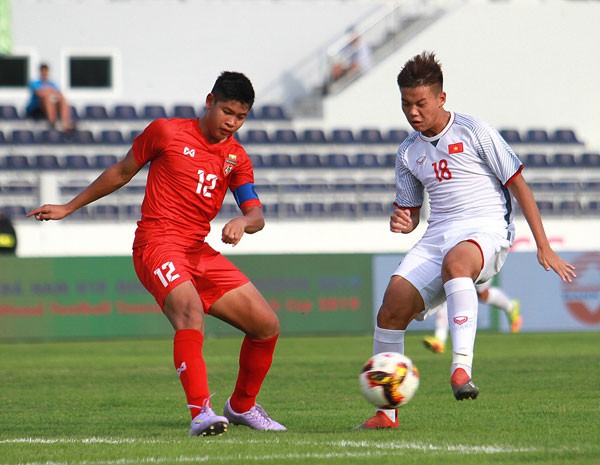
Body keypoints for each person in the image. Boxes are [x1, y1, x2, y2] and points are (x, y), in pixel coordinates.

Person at [27, 71, 286, 436]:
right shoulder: (166, 132)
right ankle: (201, 413)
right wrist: (69, 207)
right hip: (157, 243)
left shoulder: (236, 157)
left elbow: (256, 213)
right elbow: (121, 172)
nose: (231, 122)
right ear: (210, 101)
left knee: (266, 326)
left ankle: (242, 406)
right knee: (189, 311)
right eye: (226, 111)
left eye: (240, 117)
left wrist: (243, 222)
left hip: (198, 251)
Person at [357, 52, 576, 430]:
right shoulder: (408, 151)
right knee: (390, 309)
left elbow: (518, 185)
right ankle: (385, 412)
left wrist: (543, 245)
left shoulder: (474, 130)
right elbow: (410, 214)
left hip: (486, 228)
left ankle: (461, 370)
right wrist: (402, 221)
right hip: (437, 233)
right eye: (406, 104)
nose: (413, 112)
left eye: (420, 103)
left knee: (457, 264)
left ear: (441, 98)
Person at [423, 281, 522, 354]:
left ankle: (511, 307)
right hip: (457, 260)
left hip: (481, 257)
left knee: (482, 294)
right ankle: (439, 339)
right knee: (448, 290)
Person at [26, 63, 74, 131]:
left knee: (62, 100)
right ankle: (52, 122)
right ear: (40, 72)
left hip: (51, 105)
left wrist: (51, 93)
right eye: (43, 71)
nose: (45, 73)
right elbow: (40, 94)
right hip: (36, 109)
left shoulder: (53, 84)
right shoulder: (34, 83)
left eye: (46, 71)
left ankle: (65, 123)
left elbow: (59, 95)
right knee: (47, 98)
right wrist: (51, 92)